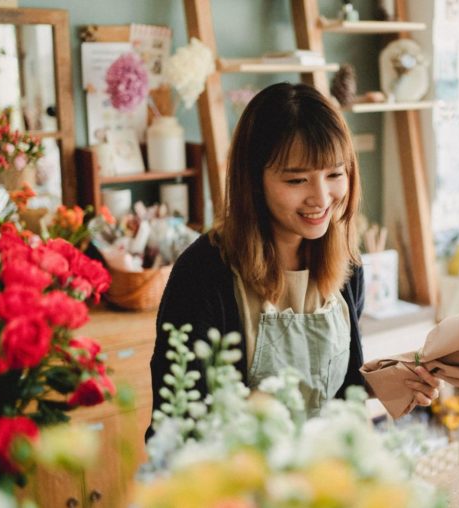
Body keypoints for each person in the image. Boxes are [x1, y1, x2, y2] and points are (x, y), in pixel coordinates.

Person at [148, 82, 437, 433]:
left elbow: (331, 392)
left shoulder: (347, 266)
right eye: (297, 180)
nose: (321, 197)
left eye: (334, 174)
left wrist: (388, 380)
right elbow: (176, 425)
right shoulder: (205, 274)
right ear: (254, 180)